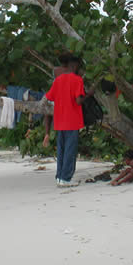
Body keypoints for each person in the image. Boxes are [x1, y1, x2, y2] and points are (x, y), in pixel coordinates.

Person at [44, 55, 92, 187]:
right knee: (70, 150)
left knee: (61, 150)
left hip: (60, 120)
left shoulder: (58, 80)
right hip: (72, 120)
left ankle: (60, 176)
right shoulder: (77, 80)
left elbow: (50, 97)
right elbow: (78, 101)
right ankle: (66, 178)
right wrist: (88, 94)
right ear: (75, 66)